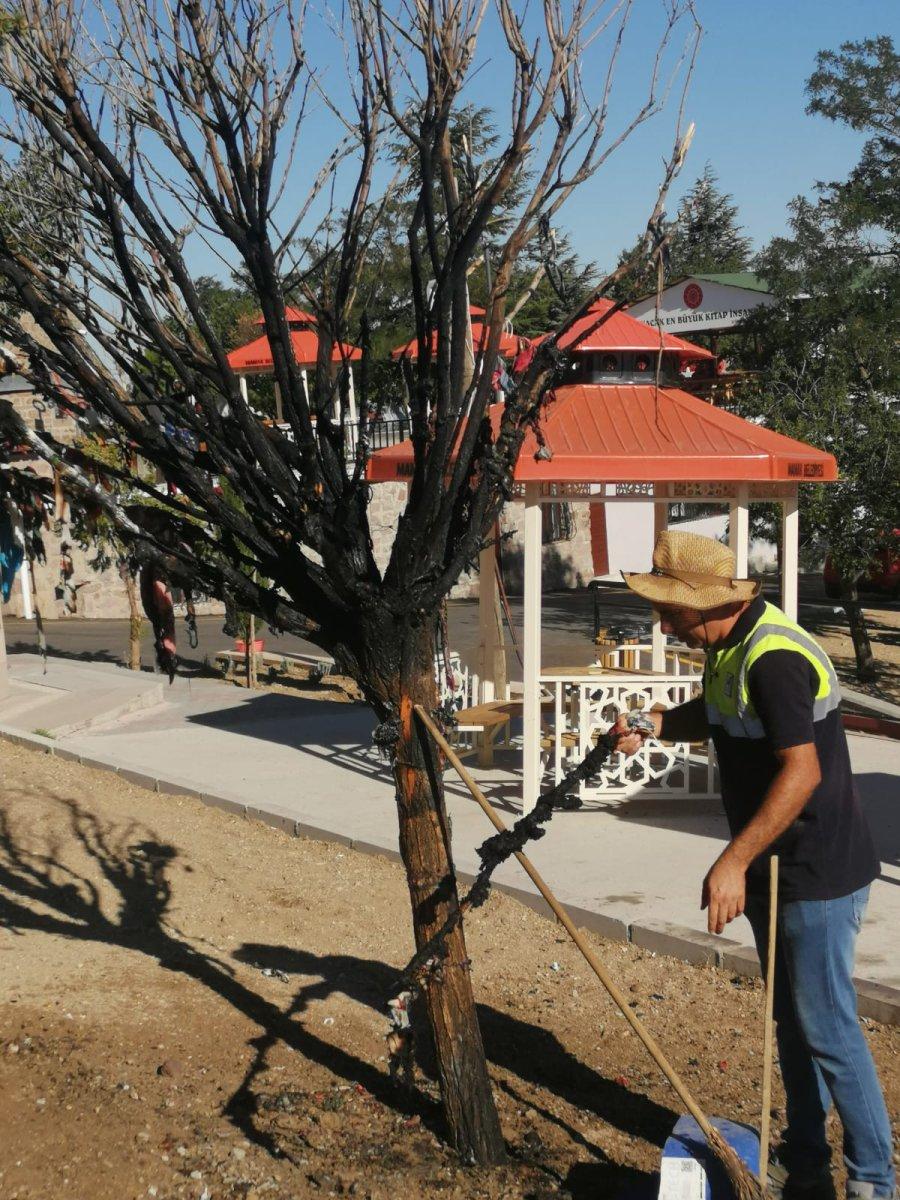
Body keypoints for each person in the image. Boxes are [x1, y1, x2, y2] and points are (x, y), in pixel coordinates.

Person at [613, 530, 894, 1200]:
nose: (663, 622)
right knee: (793, 1022)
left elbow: (802, 773)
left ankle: (874, 1183)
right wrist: (652, 725)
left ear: (707, 604)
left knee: (826, 1025)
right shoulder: (730, 646)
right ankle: (806, 1169)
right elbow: (719, 716)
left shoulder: (772, 658)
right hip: (774, 863)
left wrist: (732, 862)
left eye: (670, 611)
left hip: (816, 869)